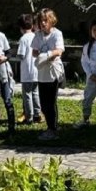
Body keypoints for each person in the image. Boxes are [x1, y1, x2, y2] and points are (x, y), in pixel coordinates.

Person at [31, 8, 65, 141]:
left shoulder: (57, 34)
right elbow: (34, 51)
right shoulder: (38, 35)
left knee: (51, 102)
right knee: (43, 102)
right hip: (41, 72)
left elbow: (59, 51)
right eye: (41, 21)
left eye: (46, 20)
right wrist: (38, 54)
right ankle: (50, 126)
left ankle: (53, 128)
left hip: (52, 72)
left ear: (51, 20)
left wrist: (47, 55)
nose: (43, 23)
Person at [16, 13, 41, 125]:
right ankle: (37, 114)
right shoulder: (36, 36)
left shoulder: (23, 39)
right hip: (37, 71)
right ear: (32, 26)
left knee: (27, 95)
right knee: (35, 93)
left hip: (27, 73)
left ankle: (29, 116)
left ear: (21, 28)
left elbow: (21, 55)